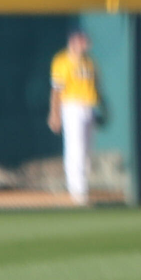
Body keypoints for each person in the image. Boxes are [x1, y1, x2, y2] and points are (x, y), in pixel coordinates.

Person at [48, 30, 100, 206]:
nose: (85, 45)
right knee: (75, 148)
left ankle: (82, 187)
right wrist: (55, 113)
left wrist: (101, 109)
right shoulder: (62, 61)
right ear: (73, 42)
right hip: (71, 106)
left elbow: (96, 86)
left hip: (89, 106)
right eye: (82, 42)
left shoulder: (90, 62)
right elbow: (56, 90)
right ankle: (77, 190)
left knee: (86, 150)